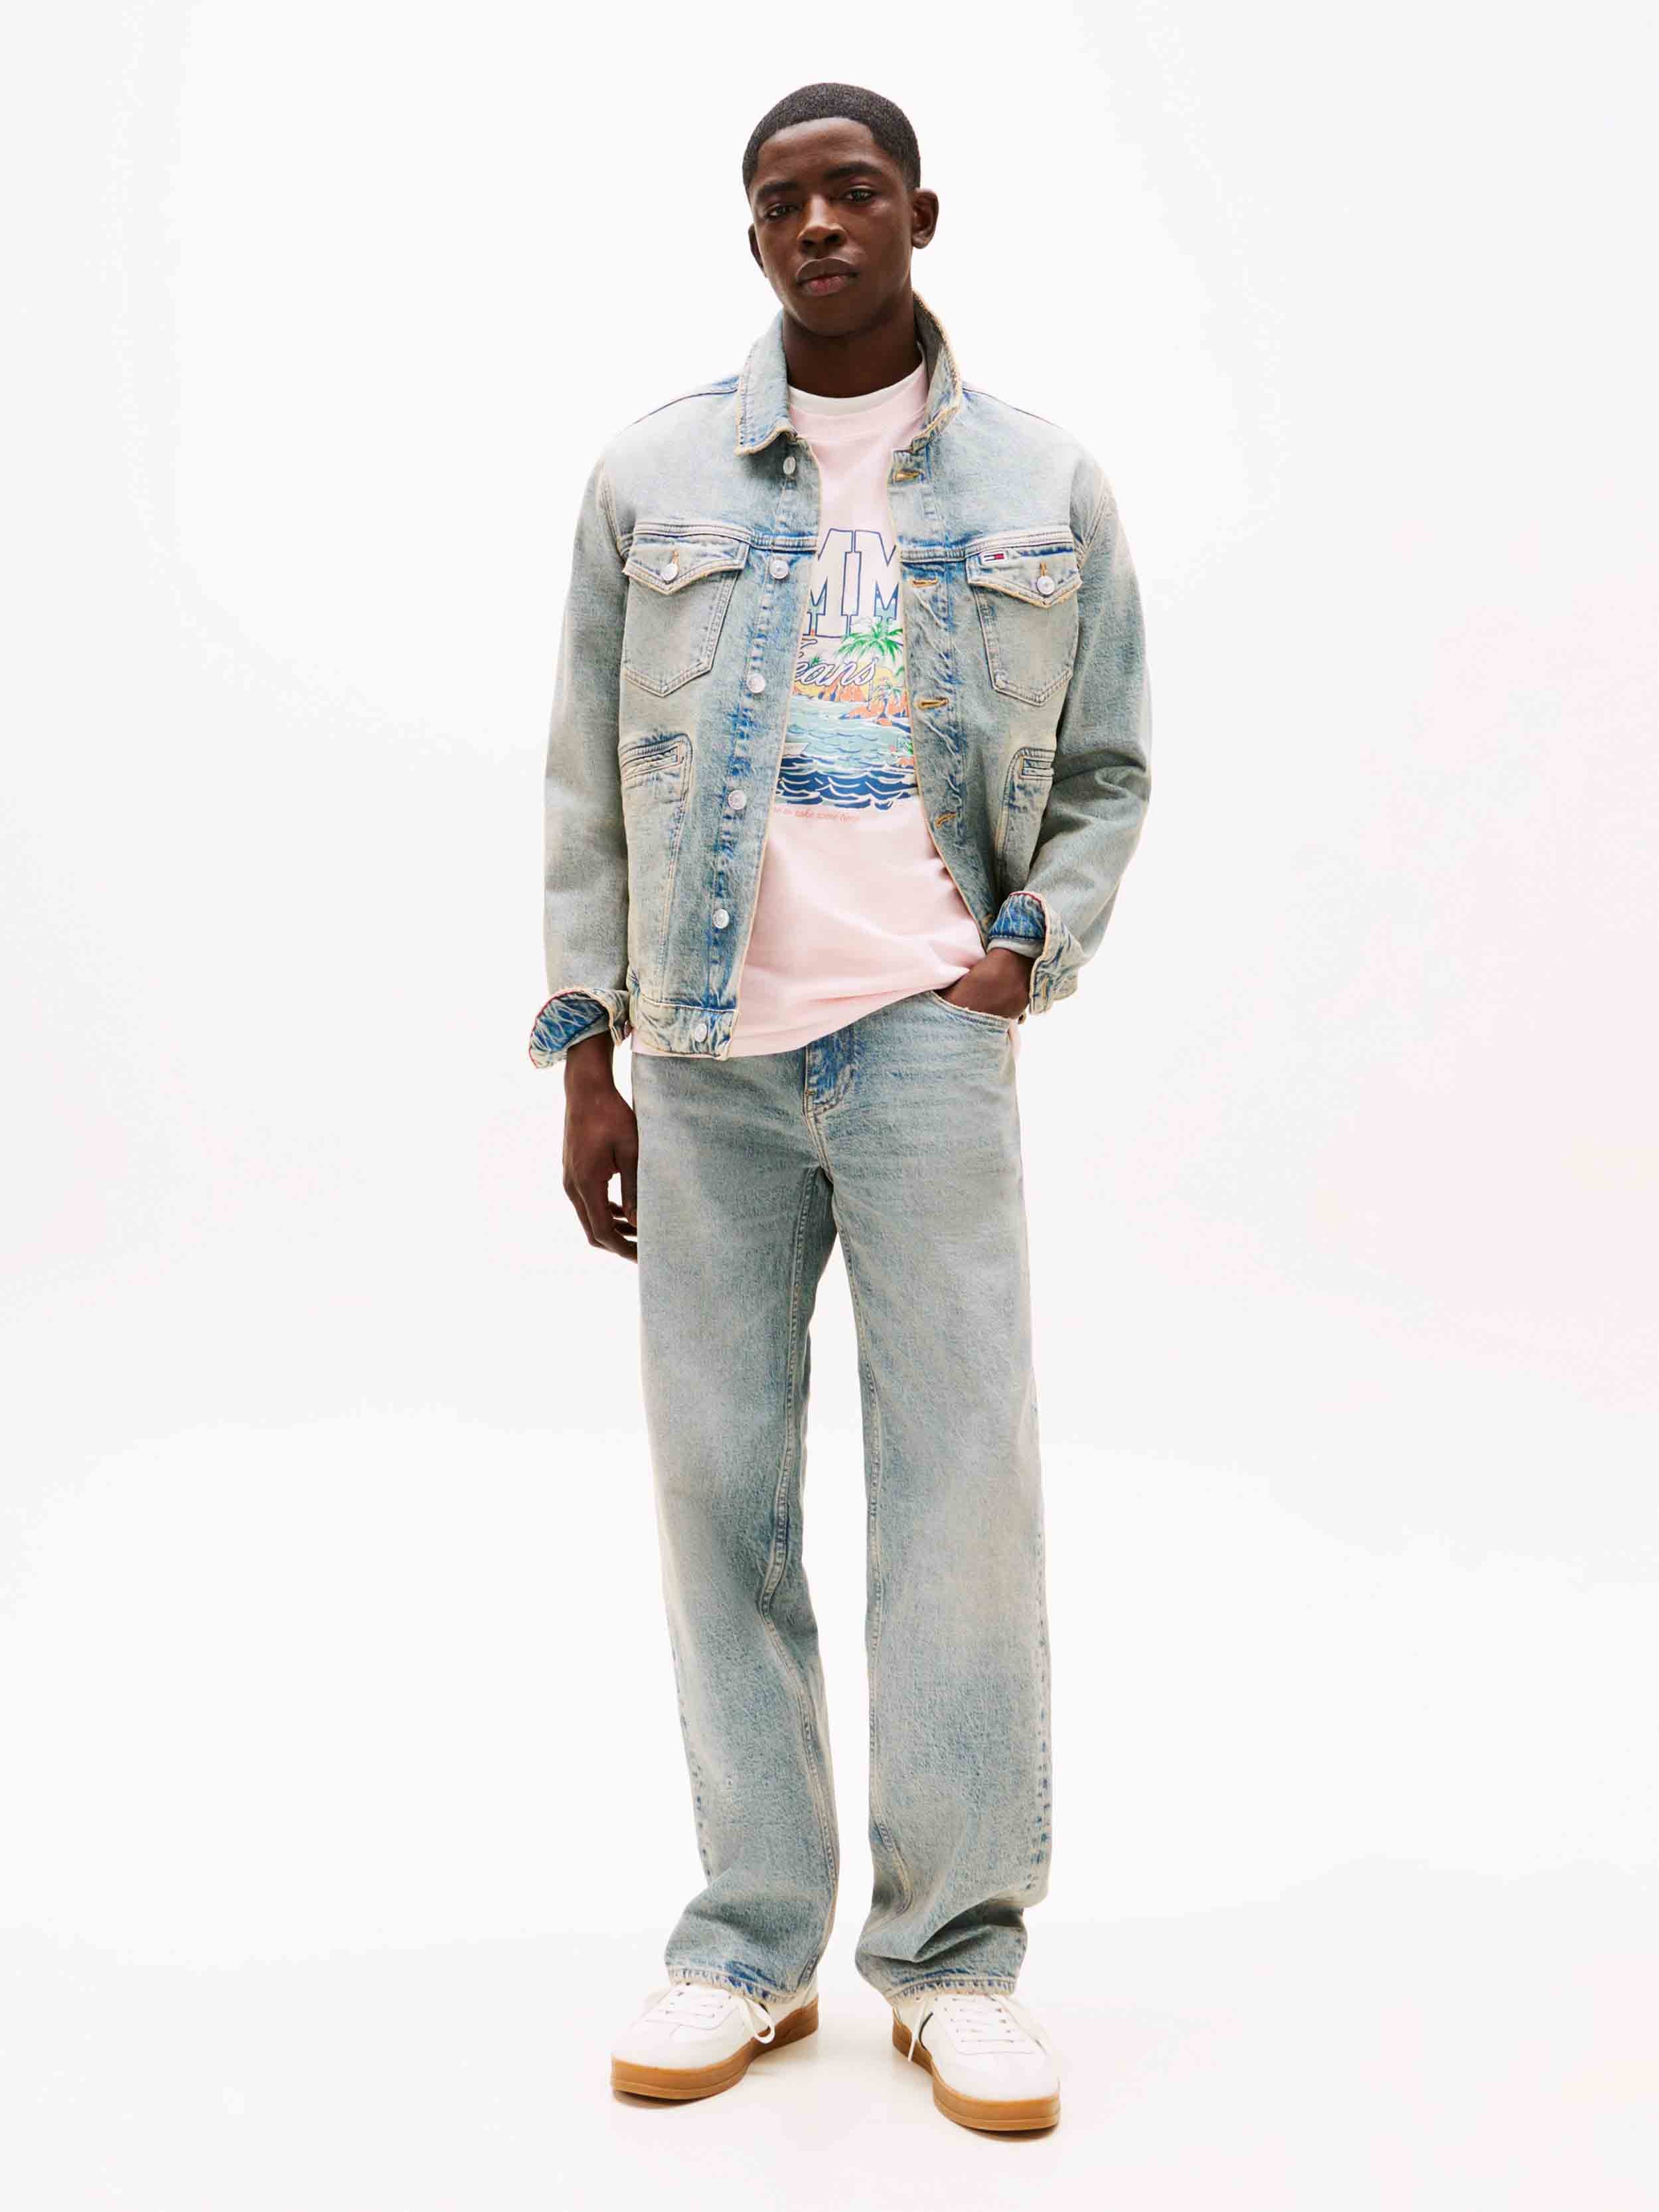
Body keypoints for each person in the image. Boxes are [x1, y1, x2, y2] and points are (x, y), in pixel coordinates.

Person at [529, 80, 1152, 2134]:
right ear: (753, 236)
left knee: (958, 1501)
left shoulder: (1046, 481)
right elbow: (583, 784)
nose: (818, 223)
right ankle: (747, 1940)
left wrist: (1023, 949)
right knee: (720, 1499)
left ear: (918, 216)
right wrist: (587, 1051)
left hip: (922, 1043)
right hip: (703, 1061)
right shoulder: (650, 476)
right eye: (782, 199)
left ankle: (954, 1957)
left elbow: (1109, 768)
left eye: (853, 190)